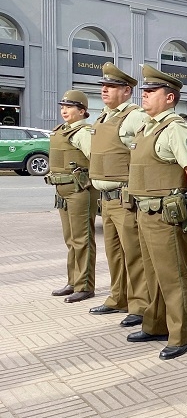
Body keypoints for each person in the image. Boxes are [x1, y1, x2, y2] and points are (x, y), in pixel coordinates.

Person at [125, 64, 187, 360]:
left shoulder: (177, 129)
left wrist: (185, 199)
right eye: (144, 91)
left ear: (169, 98)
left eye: (151, 91)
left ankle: (181, 335)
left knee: (173, 276)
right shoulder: (147, 127)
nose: (144, 96)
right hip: (144, 211)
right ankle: (155, 324)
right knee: (152, 273)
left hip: (166, 214)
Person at [87, 63, 151, 327]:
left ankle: (140, 305)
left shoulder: (135, 117)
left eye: (111, 87)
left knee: (133, 253)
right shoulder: (102, 117)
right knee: (114, 253)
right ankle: (118, 297)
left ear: (127, 91)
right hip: (106, 198)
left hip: (125, 197)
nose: (104, 90)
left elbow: (145, 155)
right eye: (103, 86)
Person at [47, 91, 99, 304]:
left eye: (70, 107)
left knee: (82, 238)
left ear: (82, 111)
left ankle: (85, 285)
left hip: (79, 190)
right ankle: (73, 281)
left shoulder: (84, 133)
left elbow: (96, 159)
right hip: (62, 189)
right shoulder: (61, 131)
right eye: (63, 107)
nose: (64, 110)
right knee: (70, 239)